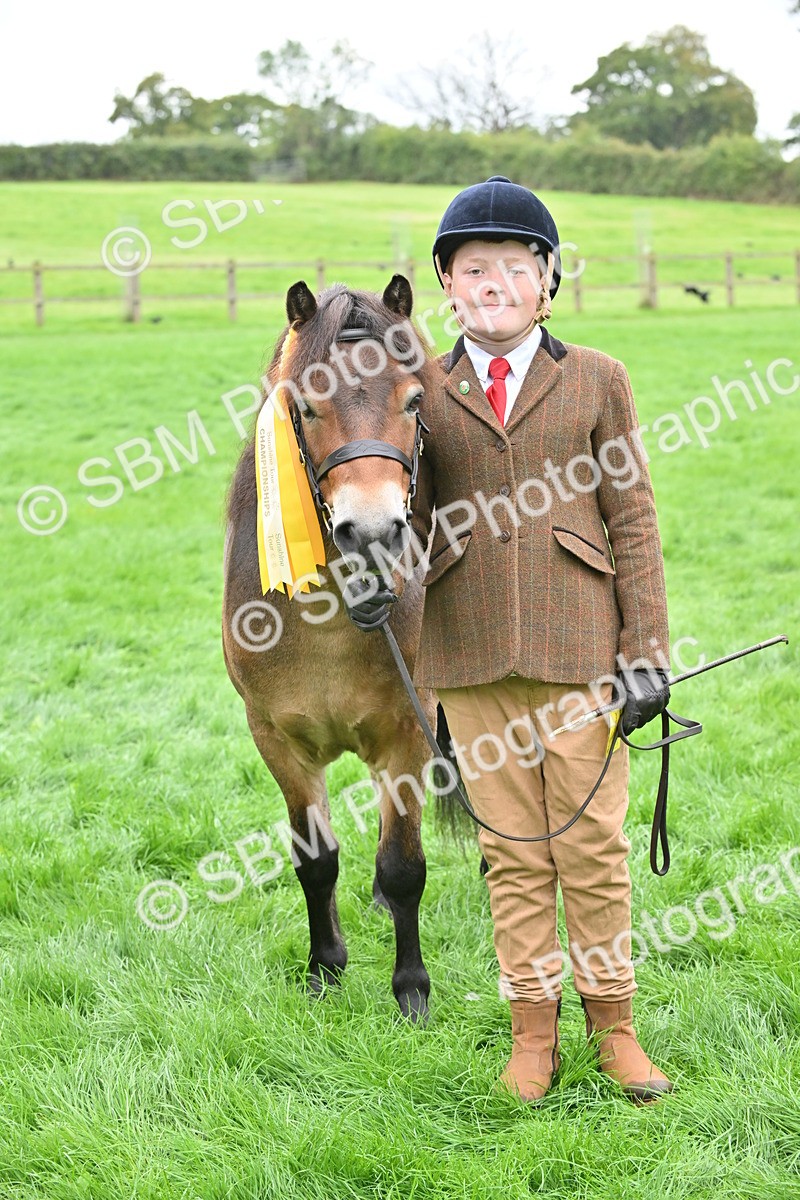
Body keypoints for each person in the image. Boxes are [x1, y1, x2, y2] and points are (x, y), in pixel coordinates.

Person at [347, 176, 673, 1105]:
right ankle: (534, 1034)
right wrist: (373, 572)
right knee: (514, 857)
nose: (494, 281)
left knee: (592, 850)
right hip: (471, 653)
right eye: (473, 267)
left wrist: (645, 649)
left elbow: (634, 521)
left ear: (547, 281)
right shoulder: (420, 391)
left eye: (515, 266)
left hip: (583, 654)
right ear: (447, 285)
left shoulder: (600, 379)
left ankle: (616, 1026)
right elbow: (394, 503)